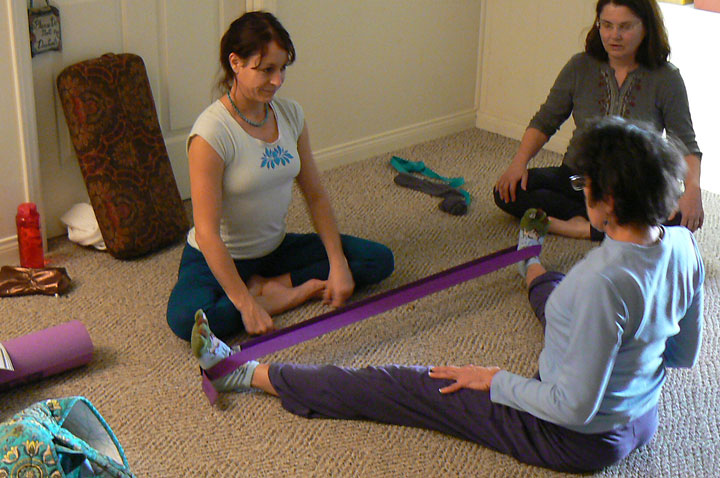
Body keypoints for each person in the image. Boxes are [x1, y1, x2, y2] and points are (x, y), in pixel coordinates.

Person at [191, 117, 704, 473]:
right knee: (565, 304)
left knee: (411, 386)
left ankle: (245, 373)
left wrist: (495, 380)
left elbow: (571, 409)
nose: (580, 188)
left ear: (607, 200)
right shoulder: (682, 245)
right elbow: (681, 354)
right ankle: (529, 263)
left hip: (577, 437)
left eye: (583, 182)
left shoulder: (601, 283)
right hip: (642, 417)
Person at [166, 12, 394, 341]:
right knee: (188, 320)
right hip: (219, 256)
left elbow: (315, 195)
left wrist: (337, 261)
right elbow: (207, 234)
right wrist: (246, 305)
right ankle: (283, 294)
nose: (278, 80)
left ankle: (273, 285)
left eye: (282, 68)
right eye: (266, 69)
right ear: (236, 63)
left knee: (377, 260)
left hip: (275, 249)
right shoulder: (211, 133)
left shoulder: (290, 115)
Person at [493, 0, 703, 240]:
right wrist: (518, 164)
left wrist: (692, 190)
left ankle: (582, 226)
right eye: (607, 25)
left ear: (646, 27)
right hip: (579, 181)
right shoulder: (579, 66)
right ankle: (601, 223)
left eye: (625, 26)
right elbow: (545, 121)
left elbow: (685, 142)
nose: (615, 35)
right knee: (507, 192)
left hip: (632, 188)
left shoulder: (667, 78)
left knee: (678, 217)